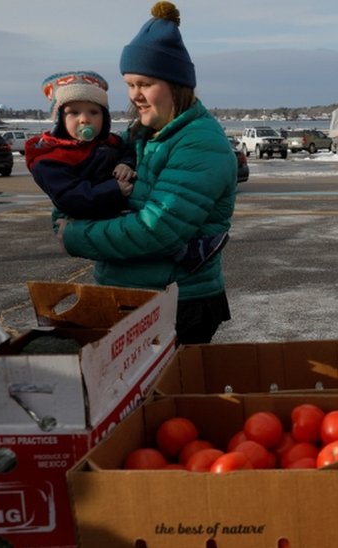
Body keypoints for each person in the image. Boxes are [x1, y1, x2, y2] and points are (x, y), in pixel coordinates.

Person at [56, 1, 237, 344]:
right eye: (129, 84)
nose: (134, 95)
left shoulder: (199, 143)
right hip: (129, 298)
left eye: (145, 83)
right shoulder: (138, 136)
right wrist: (69, 201)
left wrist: (74, 234)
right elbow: (75, 188)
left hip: (177, 305)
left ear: (176, 85)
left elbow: (158, 230)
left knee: (165, 396)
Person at [26, 70, 227, 273]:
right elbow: (67, 197)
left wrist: (126, 164)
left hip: (173, 291)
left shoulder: (110, 142)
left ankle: (186, 251)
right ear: (60, 119)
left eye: (93, 112)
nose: (84, 119)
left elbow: (159, 228)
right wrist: (112, 189)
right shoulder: (52, 156)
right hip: (92, 219)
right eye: (74, 112)